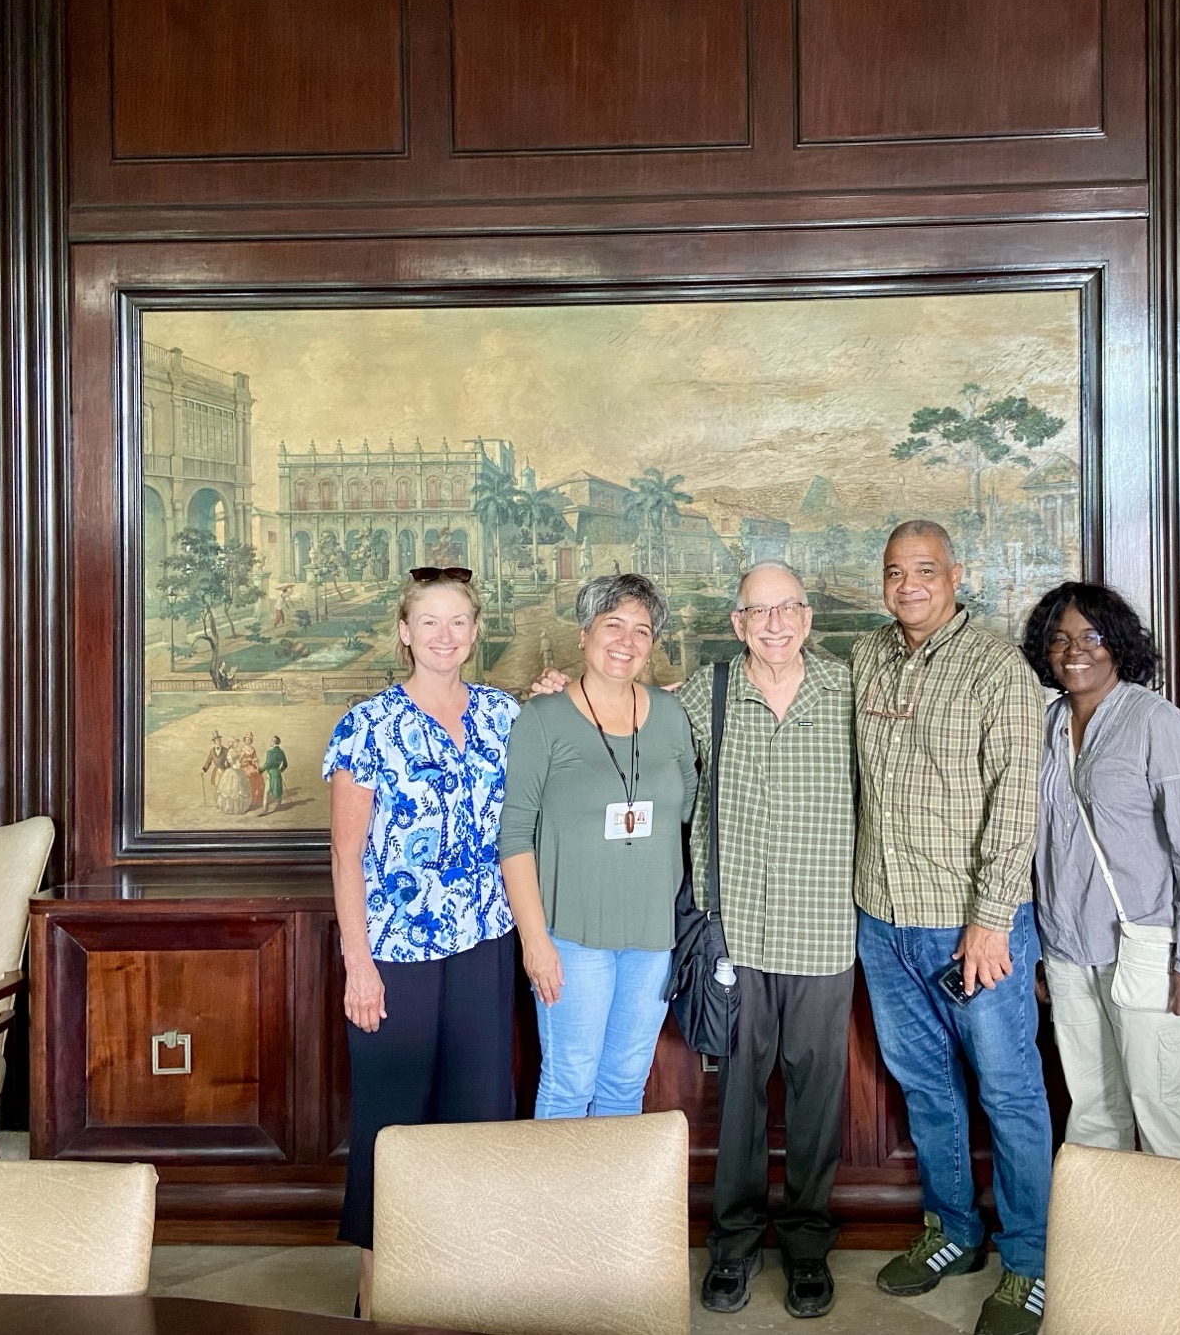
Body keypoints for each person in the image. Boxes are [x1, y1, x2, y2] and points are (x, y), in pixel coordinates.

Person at [851, 520, 1050, 1335]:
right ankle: (953, 1232)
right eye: (895, 572)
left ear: (955, 575)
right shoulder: (867, 657)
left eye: (924, 571)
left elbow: (1018, 803)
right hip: (881, 920)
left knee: (1008, 1093)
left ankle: (1029, 1262)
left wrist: (992, 921)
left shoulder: (997, 668)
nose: (909, 586)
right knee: (926, 1087)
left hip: (972, 928)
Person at [322, 566, 519, 1319]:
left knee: (479, 1114)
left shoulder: (505, 716)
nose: (445, 635)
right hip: (393, 952)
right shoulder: (366, 726)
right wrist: (358, 965)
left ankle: (464, 1285)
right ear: (405, 632)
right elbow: (346, 856)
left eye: (459, 622)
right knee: (391, 1121)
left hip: (483, 941)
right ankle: (376, 1293)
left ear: (475, 632)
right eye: (429, 622)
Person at [682, 563, 856, 1321]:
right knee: (741, 1099)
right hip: (738, 933)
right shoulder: (707, 692)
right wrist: (558, 696)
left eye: (787, 609)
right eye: (759, 611)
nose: (775, 623)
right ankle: (734, 1245)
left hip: (824, 931)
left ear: (808, 616)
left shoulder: (848, 691)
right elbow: (625, 723)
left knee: (818, 1099)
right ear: (737, 622)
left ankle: (809, 1246)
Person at [1023, 582, 1180, 1162]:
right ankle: (1106, 1247)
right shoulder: (1046, 726)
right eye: (1059, 639)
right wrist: (1041, 951)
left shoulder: (1155, 723)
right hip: (1067, 951)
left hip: (1147, 952)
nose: (1074, 651)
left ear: (1116, 644)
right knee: (1091, 1110)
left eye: (1090, 636)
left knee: (1162, 1107)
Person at [500, 574, 697, 1118]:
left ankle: (613, 1208)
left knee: (624, 1087)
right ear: (584, 634)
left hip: (653, 940)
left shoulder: (672, 716)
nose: (626, 641)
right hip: (571, 941)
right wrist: (535, 942)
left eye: (641, 630)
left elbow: (688, 812)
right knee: (569, 1085)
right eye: (613, 625)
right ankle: (556, 1208)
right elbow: (514, 836)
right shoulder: (542, 718)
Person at [259, 735, 288, 813]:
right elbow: (285, 764)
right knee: (278, 789)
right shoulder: (281, 752)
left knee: (267, 792)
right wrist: (280, 770)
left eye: (272, 741)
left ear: (274, 742)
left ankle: (265, 810)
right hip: (277, 773)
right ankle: (278, 805)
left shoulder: (270, 752)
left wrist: (260, 770)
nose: (270, 742)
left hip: (271, 774)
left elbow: (267, 764)